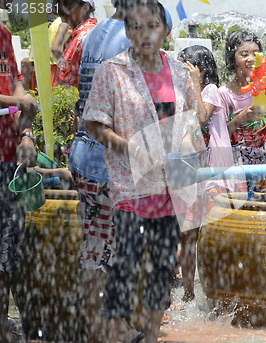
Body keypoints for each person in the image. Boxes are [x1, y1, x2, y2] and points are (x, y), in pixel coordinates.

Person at [83, 1, 199, 342]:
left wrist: (190, 147)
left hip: (170, 185)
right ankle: (112, 333)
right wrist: (130, 148)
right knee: (126, 264)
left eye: (151, 26)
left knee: (164, 266)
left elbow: (191, 122)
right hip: (130, 184)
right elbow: (94, 123)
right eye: (135, 27)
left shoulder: (179, 72)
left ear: (165, 29)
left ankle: (150, 335)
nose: (143, 34)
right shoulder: (113, 71)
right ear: (128, 31)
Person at [66, 0, 146, 341]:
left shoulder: (96, 32)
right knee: (109, 251)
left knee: (97, 246)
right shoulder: (132, 35)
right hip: (111, 162)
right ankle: (107, 332)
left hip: (85, 155)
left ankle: (111, 327)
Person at [0, 3, 39, 341]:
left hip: (8, 159)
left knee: (9, 247)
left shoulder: (4, 34)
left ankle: (2, 324)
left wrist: (26, 129)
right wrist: (14, 102)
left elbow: (16, 88)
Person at [177, 45, 223, 303]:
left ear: (200, 70)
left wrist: (194, 82)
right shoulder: (184, 93)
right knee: (187, 234)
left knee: (208, 233)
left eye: (186, 68)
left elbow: (202, 117)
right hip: (188, 174)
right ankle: (188, 293)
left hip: (209, 175)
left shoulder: (210, 90)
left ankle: (212, 292)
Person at [220, 29, 266, 166]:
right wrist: (241, 118)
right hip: (235, 168)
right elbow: (220, 134)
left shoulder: (264, 89)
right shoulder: (224, 94)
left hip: (263, 166)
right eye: (244, 54)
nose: (251, 59)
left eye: (256, 53)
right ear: (232, 59)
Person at [55, 0, 97, 88]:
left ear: (85, 7)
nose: (62, 9)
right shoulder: (78, 34)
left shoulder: (87, 36)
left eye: (67, 4)